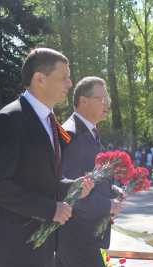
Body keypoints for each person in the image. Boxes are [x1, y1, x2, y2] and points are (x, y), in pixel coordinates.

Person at [0, 48, 94, 267]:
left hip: (43, 241)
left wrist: (72, 187)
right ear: (39, 79)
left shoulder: (50, 120)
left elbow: (43, 179)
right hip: (17, 243)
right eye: (63, 78)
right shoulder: (10, 118)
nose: (70, 84)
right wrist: (50, 209)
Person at [56, 76, 124, 267]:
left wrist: (113, 191)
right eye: (101, 99)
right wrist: (108, 206)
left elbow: (91, 178)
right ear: (83, 101)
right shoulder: (71, 134)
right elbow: (71, 192)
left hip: (89, 238)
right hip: (78, 238)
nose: (107, 104)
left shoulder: (90, 131)